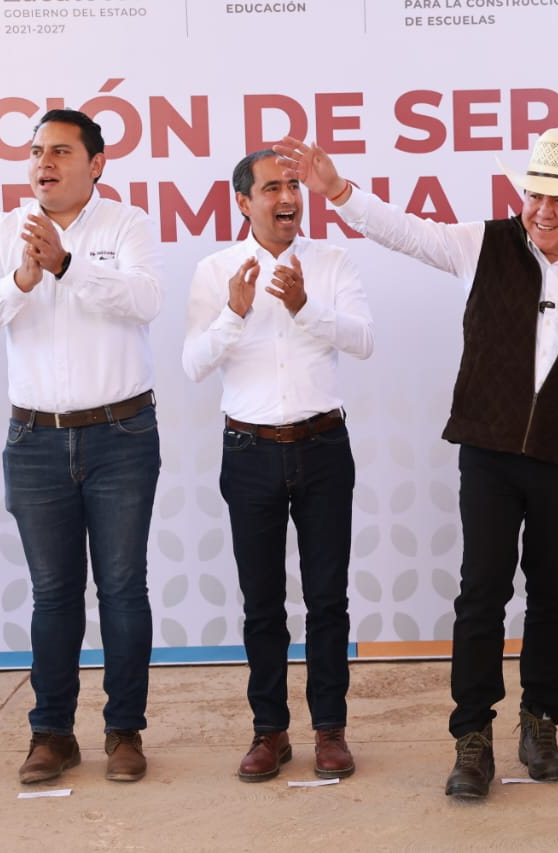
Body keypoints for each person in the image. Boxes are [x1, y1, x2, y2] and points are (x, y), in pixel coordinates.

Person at [275, 129, 558, 799]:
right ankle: (472, 736)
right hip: (489, 453)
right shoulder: (480, 244)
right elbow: (405, 232)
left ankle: (541, 723)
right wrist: (338, 190)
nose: (542, 210)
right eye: (533, 194)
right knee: (482, 592)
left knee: (555, 596)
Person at [0, 109, 163, 785]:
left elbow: (145, 300)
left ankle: (124, 731)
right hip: (35, 438)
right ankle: (52, 734)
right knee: (52, 593)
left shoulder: (126, 224)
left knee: (123, 588)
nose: (43, 162)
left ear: (96, 163)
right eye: (37, 151)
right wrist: (22, 279)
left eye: (61, 151)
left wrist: (66, 265)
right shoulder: (4, 230)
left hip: (121, 435)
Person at [183, 149, 373, 782]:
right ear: (244, 202)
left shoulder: (332, 262)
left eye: (294, 185)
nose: (288, 197)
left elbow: (364, 340)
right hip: (249, 452)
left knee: (327, 599)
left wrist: (306, 307)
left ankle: (330, 731)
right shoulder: (215, 271)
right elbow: (193, 364)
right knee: (262, 603)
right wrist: (234, 313)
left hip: (323, 447)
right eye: (272, 187)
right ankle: (270, 731)